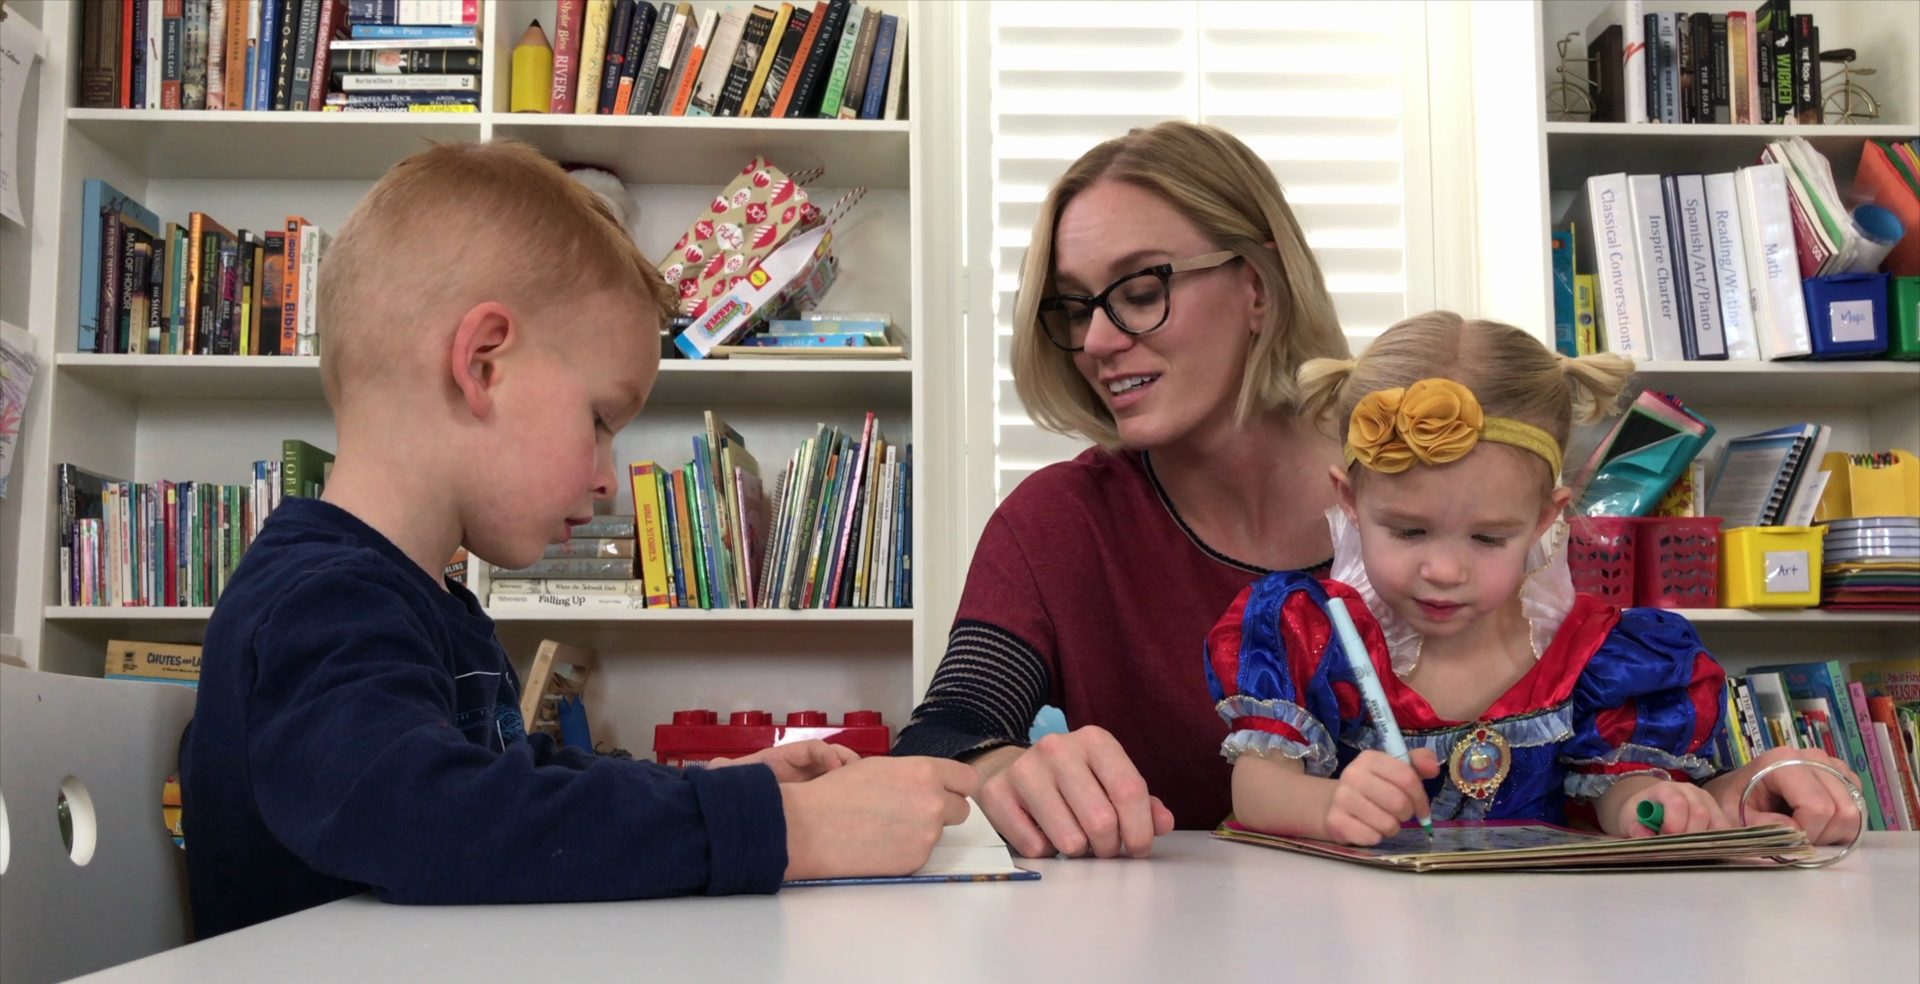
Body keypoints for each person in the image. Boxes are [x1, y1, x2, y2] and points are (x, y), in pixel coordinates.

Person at [179, 141, 977, 938]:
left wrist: (717, 785)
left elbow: (511, 789)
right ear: (483, 364)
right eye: (600, 420)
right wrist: (785, 829)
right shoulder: (320, 604)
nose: (607, 477)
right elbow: (440, 820)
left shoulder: (421, 603)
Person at [1208, 312, 1863, 845]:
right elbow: (1258, 789)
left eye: (1489, 538)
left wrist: (1648, 806)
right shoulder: (1306, 632)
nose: (1443, 570)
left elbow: (1617, 793)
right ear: (1349, 499)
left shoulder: (1602, 657)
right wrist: (1327, 806)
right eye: (1407, 531)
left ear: (1547, 516)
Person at [891, 121, 1351, 858]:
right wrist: (1007, 770)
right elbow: (945, 729)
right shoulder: (1061, 523)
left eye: (1140, 291)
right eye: (1076, 309)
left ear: (1259, 288)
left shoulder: (1431, 475)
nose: (1098, 342)